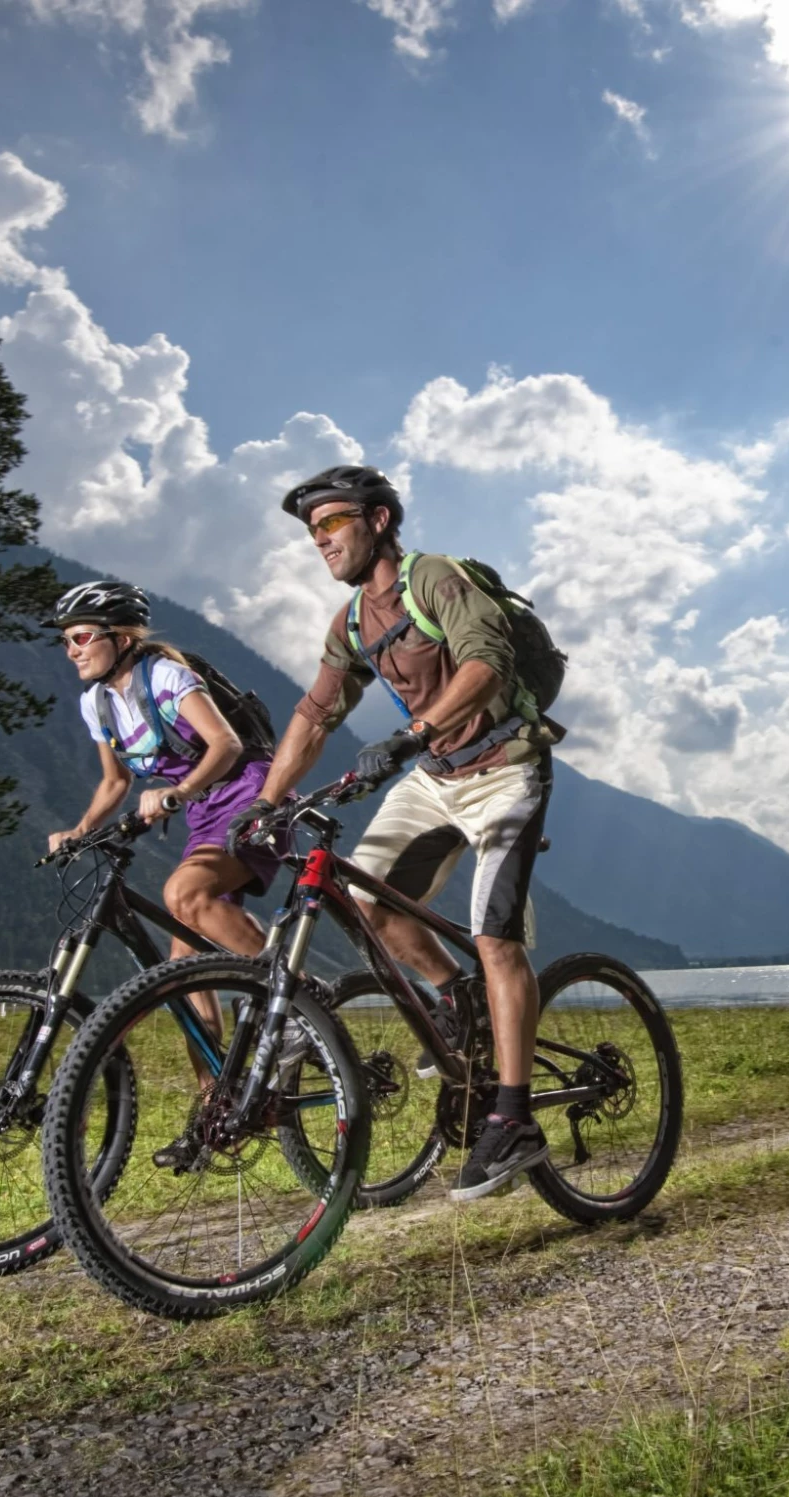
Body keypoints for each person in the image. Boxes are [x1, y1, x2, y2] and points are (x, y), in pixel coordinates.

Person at [238, 466, 564, 1202]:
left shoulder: (436, 578)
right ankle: (458, 1001)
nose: (319, 540)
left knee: (495, 936)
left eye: (331, 523)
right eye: (310, 531)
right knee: (371, 902)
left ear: (379, 519)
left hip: (507, 764)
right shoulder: (352, 621)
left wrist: (412, 732)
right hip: (435, 774)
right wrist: (266, 801)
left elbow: (486, 660)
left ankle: (514, 1118)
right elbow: (314, 714)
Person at [43, 580, 284, 967]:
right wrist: (80, 830)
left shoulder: (165, 676)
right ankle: (213, 1025)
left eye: (82, 637)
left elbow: (226, 744)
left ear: (121, 639)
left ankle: (299, 998)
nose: (72, 651)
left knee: (183, 895)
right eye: (66, 641)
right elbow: (115, 781)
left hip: (252, 795)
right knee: (183, 964)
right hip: (203, 812)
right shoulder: (96, 703)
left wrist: (179, 791)